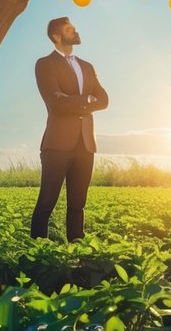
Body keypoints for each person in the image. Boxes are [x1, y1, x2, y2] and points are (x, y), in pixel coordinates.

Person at [30, 16, 109, 240]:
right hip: (56, 145)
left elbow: (104, 100)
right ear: (56, 36)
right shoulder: (45, 64)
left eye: (74, 27)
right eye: (69, 29)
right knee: (46, 203)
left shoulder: (87, 66)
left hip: (86, 145)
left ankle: (77, 252)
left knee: (77, 205)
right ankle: (38, 253)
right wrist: (86, 102)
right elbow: (55, 101)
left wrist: (74, 101)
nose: (75, 31)